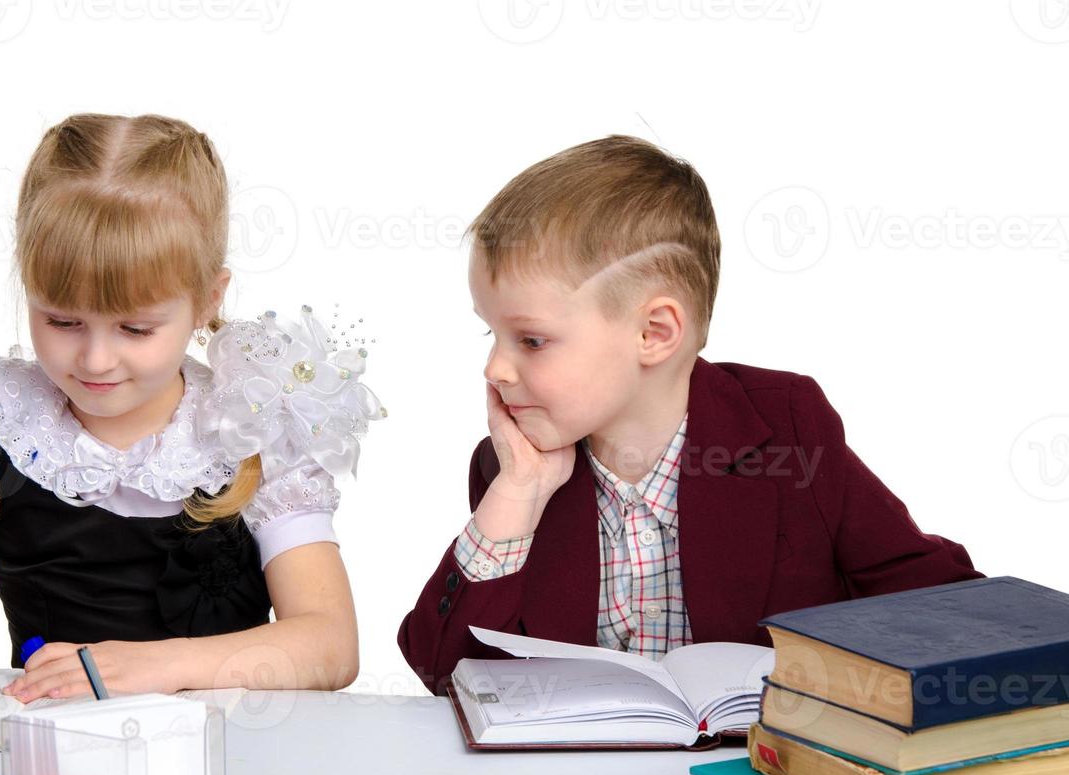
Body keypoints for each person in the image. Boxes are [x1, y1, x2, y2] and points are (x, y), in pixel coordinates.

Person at [0, 112, 384, 718]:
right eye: (62, 320)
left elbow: (331, 645)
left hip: (228, 765)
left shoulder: (251, 426)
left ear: (207, 300)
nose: (94, 358)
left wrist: (156, 667)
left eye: (135, 328)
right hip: (51, 765)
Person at [397, 135, 981, 697]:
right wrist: (517, 494)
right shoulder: (512, 470)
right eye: (491, 332)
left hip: (752, 774)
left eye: (530, 340)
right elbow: (445, 674)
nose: (494, 368)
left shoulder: (788, 430)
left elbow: (938, 602)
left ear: (654, 333)